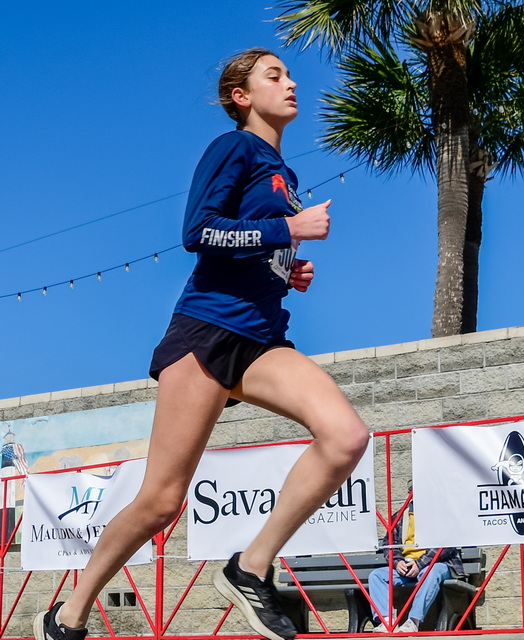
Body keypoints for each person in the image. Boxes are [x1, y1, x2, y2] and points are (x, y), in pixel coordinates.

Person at [33, 47, 369, 640]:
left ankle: (249, 567)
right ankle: (67, 615)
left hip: (263, 337)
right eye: (275, 76)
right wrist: (287, 229)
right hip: (207, 333)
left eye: (290, 75)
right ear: (242, 97)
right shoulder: (233, 147)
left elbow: (246, 242)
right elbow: (199, 232)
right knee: (162, 499)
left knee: (346, 438)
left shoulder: (284, 174)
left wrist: (284, 267)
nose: (291, 84)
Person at [368, 490, 464, 634]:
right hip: (407, 565)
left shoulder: (440, 513)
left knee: (430, 572)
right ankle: (387, 620)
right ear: (409, 493)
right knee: (376, 576)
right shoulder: (400, 516)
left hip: (439, 564)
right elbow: (388, 543)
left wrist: (419, 564)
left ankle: (413, 621)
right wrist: (397, 562)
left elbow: (446, 545)